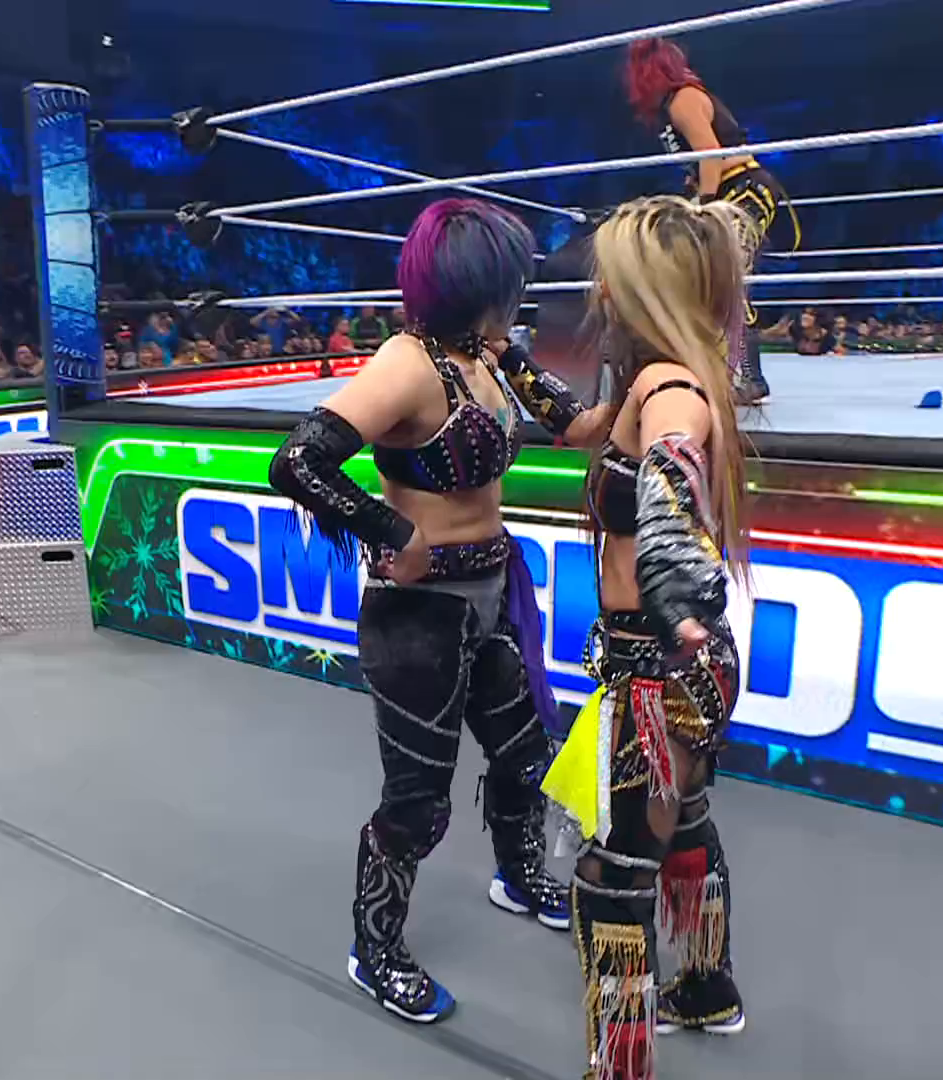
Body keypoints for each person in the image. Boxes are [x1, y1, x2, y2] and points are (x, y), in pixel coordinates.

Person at [268, 198, 608, 1025]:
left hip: (493, 592)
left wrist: (652, 365)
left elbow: (579, 426)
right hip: (419, 613)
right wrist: (394, 532)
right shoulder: (408, 364)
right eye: (508, 281)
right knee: (417, 798)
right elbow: (298, 462)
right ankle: (375, 947)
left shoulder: (491, 352)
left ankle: (517, 874)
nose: (517, 296)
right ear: (473, 283)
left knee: (523, 753)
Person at [543, 195, 753, 1079]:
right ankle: (704, 987)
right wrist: (501, 358)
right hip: (682, 660)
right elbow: (579, 429)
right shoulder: (668, 375)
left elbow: (670, 468)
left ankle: (621, 1066)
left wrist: (671, 576)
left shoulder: (670, 390)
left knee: (613, 874)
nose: (597, 293)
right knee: (686, 822)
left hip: (659, 666)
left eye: (611, 280)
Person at [625, 37, 799, 406]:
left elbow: (711, 155)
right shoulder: (669, 110)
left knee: (729, 279)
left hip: (746, 190)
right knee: (707, 280)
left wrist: (703, 206)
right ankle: (718, 371)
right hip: (728, 192)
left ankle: (751, 378)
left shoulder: (684, 98)